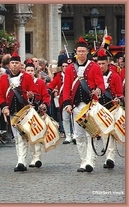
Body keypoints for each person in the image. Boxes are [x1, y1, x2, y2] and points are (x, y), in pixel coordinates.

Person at [62, 36, 105, 173]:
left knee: (91, 134)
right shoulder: (69, 69)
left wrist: (99, 90)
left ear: (87, 52)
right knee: (79, 135)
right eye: (79, 51)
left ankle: (90, 161)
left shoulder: (94, 67)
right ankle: (83, 160)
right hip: (75, 106)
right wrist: (67, 104)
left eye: (83, 51)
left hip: (90, 105)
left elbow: (100, 83)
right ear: (76, 52)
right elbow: (67, 87)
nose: (81, 54)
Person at [0, 51, 37, 172]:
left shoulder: (27, 77)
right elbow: (0, 95)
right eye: (12, 63)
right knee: (17, 137)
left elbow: (33, 93)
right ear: (9, 65)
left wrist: (30, 96)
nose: (14, 65)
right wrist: (4, 107)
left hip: (24, 110)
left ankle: (21, 161)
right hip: (11, 111)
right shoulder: (4, 78)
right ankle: (21, 160)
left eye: (16, 63)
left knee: (22, 137)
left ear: (20, 65)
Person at [96, 48, 124, 169]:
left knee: (114, 133)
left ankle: (110, 157)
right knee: (105, 134)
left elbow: (119, 93)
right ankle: (109, 157)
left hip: (113, 108)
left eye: (103, 63)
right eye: (99, 64)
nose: (101, 66)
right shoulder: (94, 77)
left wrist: (117, 99)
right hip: (101, 110)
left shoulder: (116, 76)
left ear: (107, 63)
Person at [24, 59, 50, 168]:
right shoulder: (22, 83)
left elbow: (46, 96)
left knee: (37, 134)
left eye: (31, 70)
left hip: (37, 111)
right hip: (26, 112)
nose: (29, 72)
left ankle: (37, 157)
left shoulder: (40, 82)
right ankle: (32, 156)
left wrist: (44, 104)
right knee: (28, 136)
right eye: (27, 70)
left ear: (34, 72)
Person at [48, 58, 75, 144]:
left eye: (66, 66)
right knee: (65, 118)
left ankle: (75, 135)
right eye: (63, 66)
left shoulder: (75, 74)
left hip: (74, 98)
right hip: (63, 100)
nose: (65, 68)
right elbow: (52, 85)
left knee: (74, 118)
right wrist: (48, 90)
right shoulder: (58, 76)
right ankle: (68, 136)